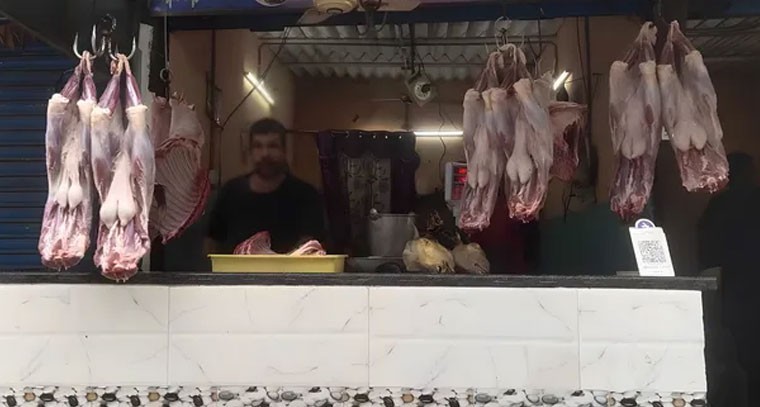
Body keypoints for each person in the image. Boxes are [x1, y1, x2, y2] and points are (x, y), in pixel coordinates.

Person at [206, 118, 327, 254]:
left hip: (289, 267)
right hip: (233, 268)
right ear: (250, 151)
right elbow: (212, 243)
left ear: (284, 150)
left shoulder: (306, 195)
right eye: (258, 146)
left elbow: (311, 246)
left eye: (272, 146)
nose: (265, 154)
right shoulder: (230, 192)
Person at [698, 152, 760, 403]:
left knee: (743, 357)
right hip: (748, 286)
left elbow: (706, 253)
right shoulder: (754, 200)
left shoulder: (719, 206)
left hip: (734, 291)